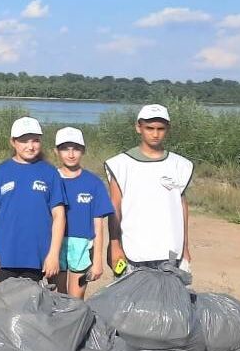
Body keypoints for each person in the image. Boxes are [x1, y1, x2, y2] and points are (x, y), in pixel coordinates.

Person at [105, 104, 194, 271]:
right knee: (130, 297)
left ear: (168, 129)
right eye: (149, 128)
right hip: (133, 249)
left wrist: (185, 247)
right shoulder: (120, 164)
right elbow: (115, 207)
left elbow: (181, 207)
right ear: (139, 127)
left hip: (170, 251)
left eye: (160, 128)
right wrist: (115, 245)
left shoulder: (180, 165)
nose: (155, 134)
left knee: (169, 296)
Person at [0, 117, 65, 282]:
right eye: (24, 141)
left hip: (38, 259)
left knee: (34, 305)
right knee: (2, 305)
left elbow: (59, 215)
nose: (30, 146)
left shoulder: (50, 173)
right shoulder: (0, 172)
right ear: (13, 142)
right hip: (5, 257)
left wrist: (53, 254)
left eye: (35, 140)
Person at [53, 126, 112, 298]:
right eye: (65, 149)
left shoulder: (94, 183)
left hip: (82, 245)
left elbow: (98, 224)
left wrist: (98, 261)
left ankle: (75, 324)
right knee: (57, 298)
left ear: (83, 150)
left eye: (76, 149)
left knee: (75, 300)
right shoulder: (50, 179)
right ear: (56, 151)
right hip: (56, 243)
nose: (71, 154)